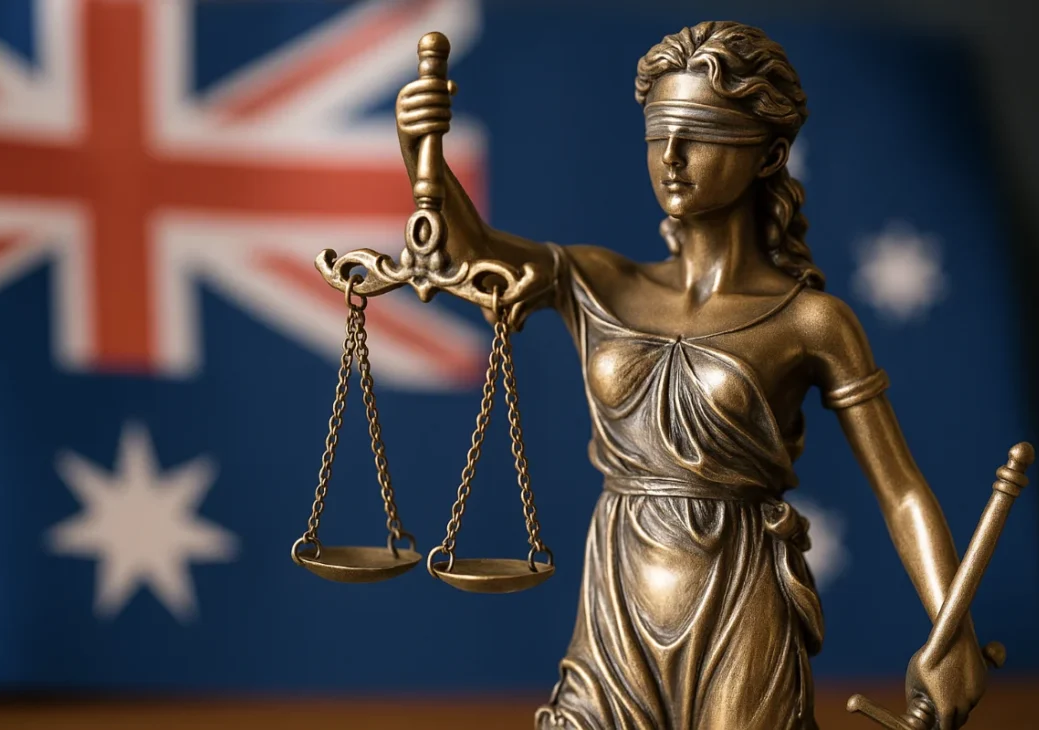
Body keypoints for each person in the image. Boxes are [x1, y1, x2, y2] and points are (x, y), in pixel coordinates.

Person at [395, 20, 987, 730]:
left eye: (700, 133)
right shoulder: (599, 281)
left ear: (769, 153)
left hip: (739, 598)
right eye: (657, 134)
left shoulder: (810, 322)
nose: (671, 158)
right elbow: (467, 253)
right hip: (617, 594)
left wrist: (951, 631)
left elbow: (900, 493)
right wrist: (418, 152)